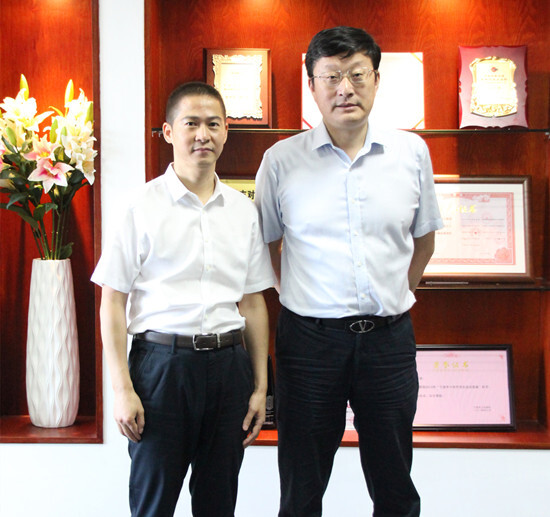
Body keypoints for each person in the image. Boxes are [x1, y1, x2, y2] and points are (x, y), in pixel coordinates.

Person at [255, 26, 443, 517]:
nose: (345, 89)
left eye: (358, 75)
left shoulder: (411, 153)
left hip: (389, 342)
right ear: (311, 84)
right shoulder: (280, 161)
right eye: (332, 76)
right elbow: (266, 247)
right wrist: (303, 296)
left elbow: (424, 240)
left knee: (394, 483)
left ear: (376, 80)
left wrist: (393, 294)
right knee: (301, 486)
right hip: (309, 344)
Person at [92, 81, 275, 517]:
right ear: (169, 132)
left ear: (226, 131)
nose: (203, 135)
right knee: (153, 504)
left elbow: (252, 303)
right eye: (191, 123)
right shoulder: (140, 206)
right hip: (161, 370)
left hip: (229, 370)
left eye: (213, 124)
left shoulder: (243, 211)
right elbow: (112, 301)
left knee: (218, 503)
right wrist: (122, 389)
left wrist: (260, 386)